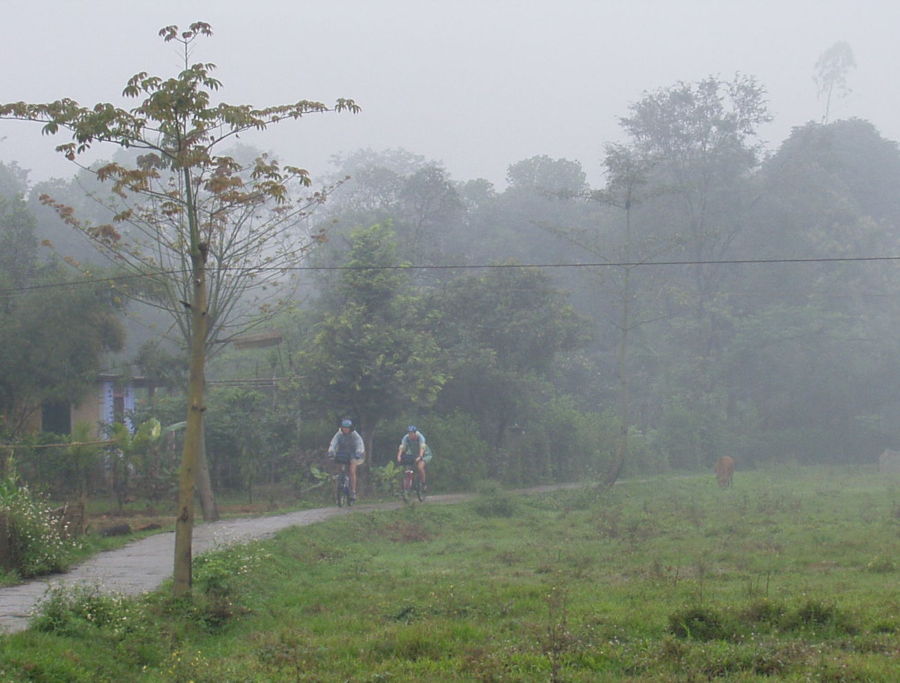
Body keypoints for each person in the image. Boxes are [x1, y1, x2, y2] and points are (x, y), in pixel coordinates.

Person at [328, 418, 365, 501]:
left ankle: (353, 491)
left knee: (352, 471)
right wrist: (331, 451)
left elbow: (360, 443)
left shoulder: (354, 435)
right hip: (342, 453)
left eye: (347, 428)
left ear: (350, 428)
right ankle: (339, 482)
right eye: (344, 427)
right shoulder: (339, 434)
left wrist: (359, 452)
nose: (345, 429)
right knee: (338, 467)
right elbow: (333, 443)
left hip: (353, 454)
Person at [397, 425, 429, 490]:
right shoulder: (406, 437)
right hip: (413, 453)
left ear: (415, 433)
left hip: (425, 453)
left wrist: (420, 457)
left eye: (411, 433)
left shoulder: (420, 437)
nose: (410, 435)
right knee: (408, 466)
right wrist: (399, 456)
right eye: (409, 433)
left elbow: (422, 448)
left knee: (420, 467)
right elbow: (402, 447)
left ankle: (423, 483)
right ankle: (408, 484)